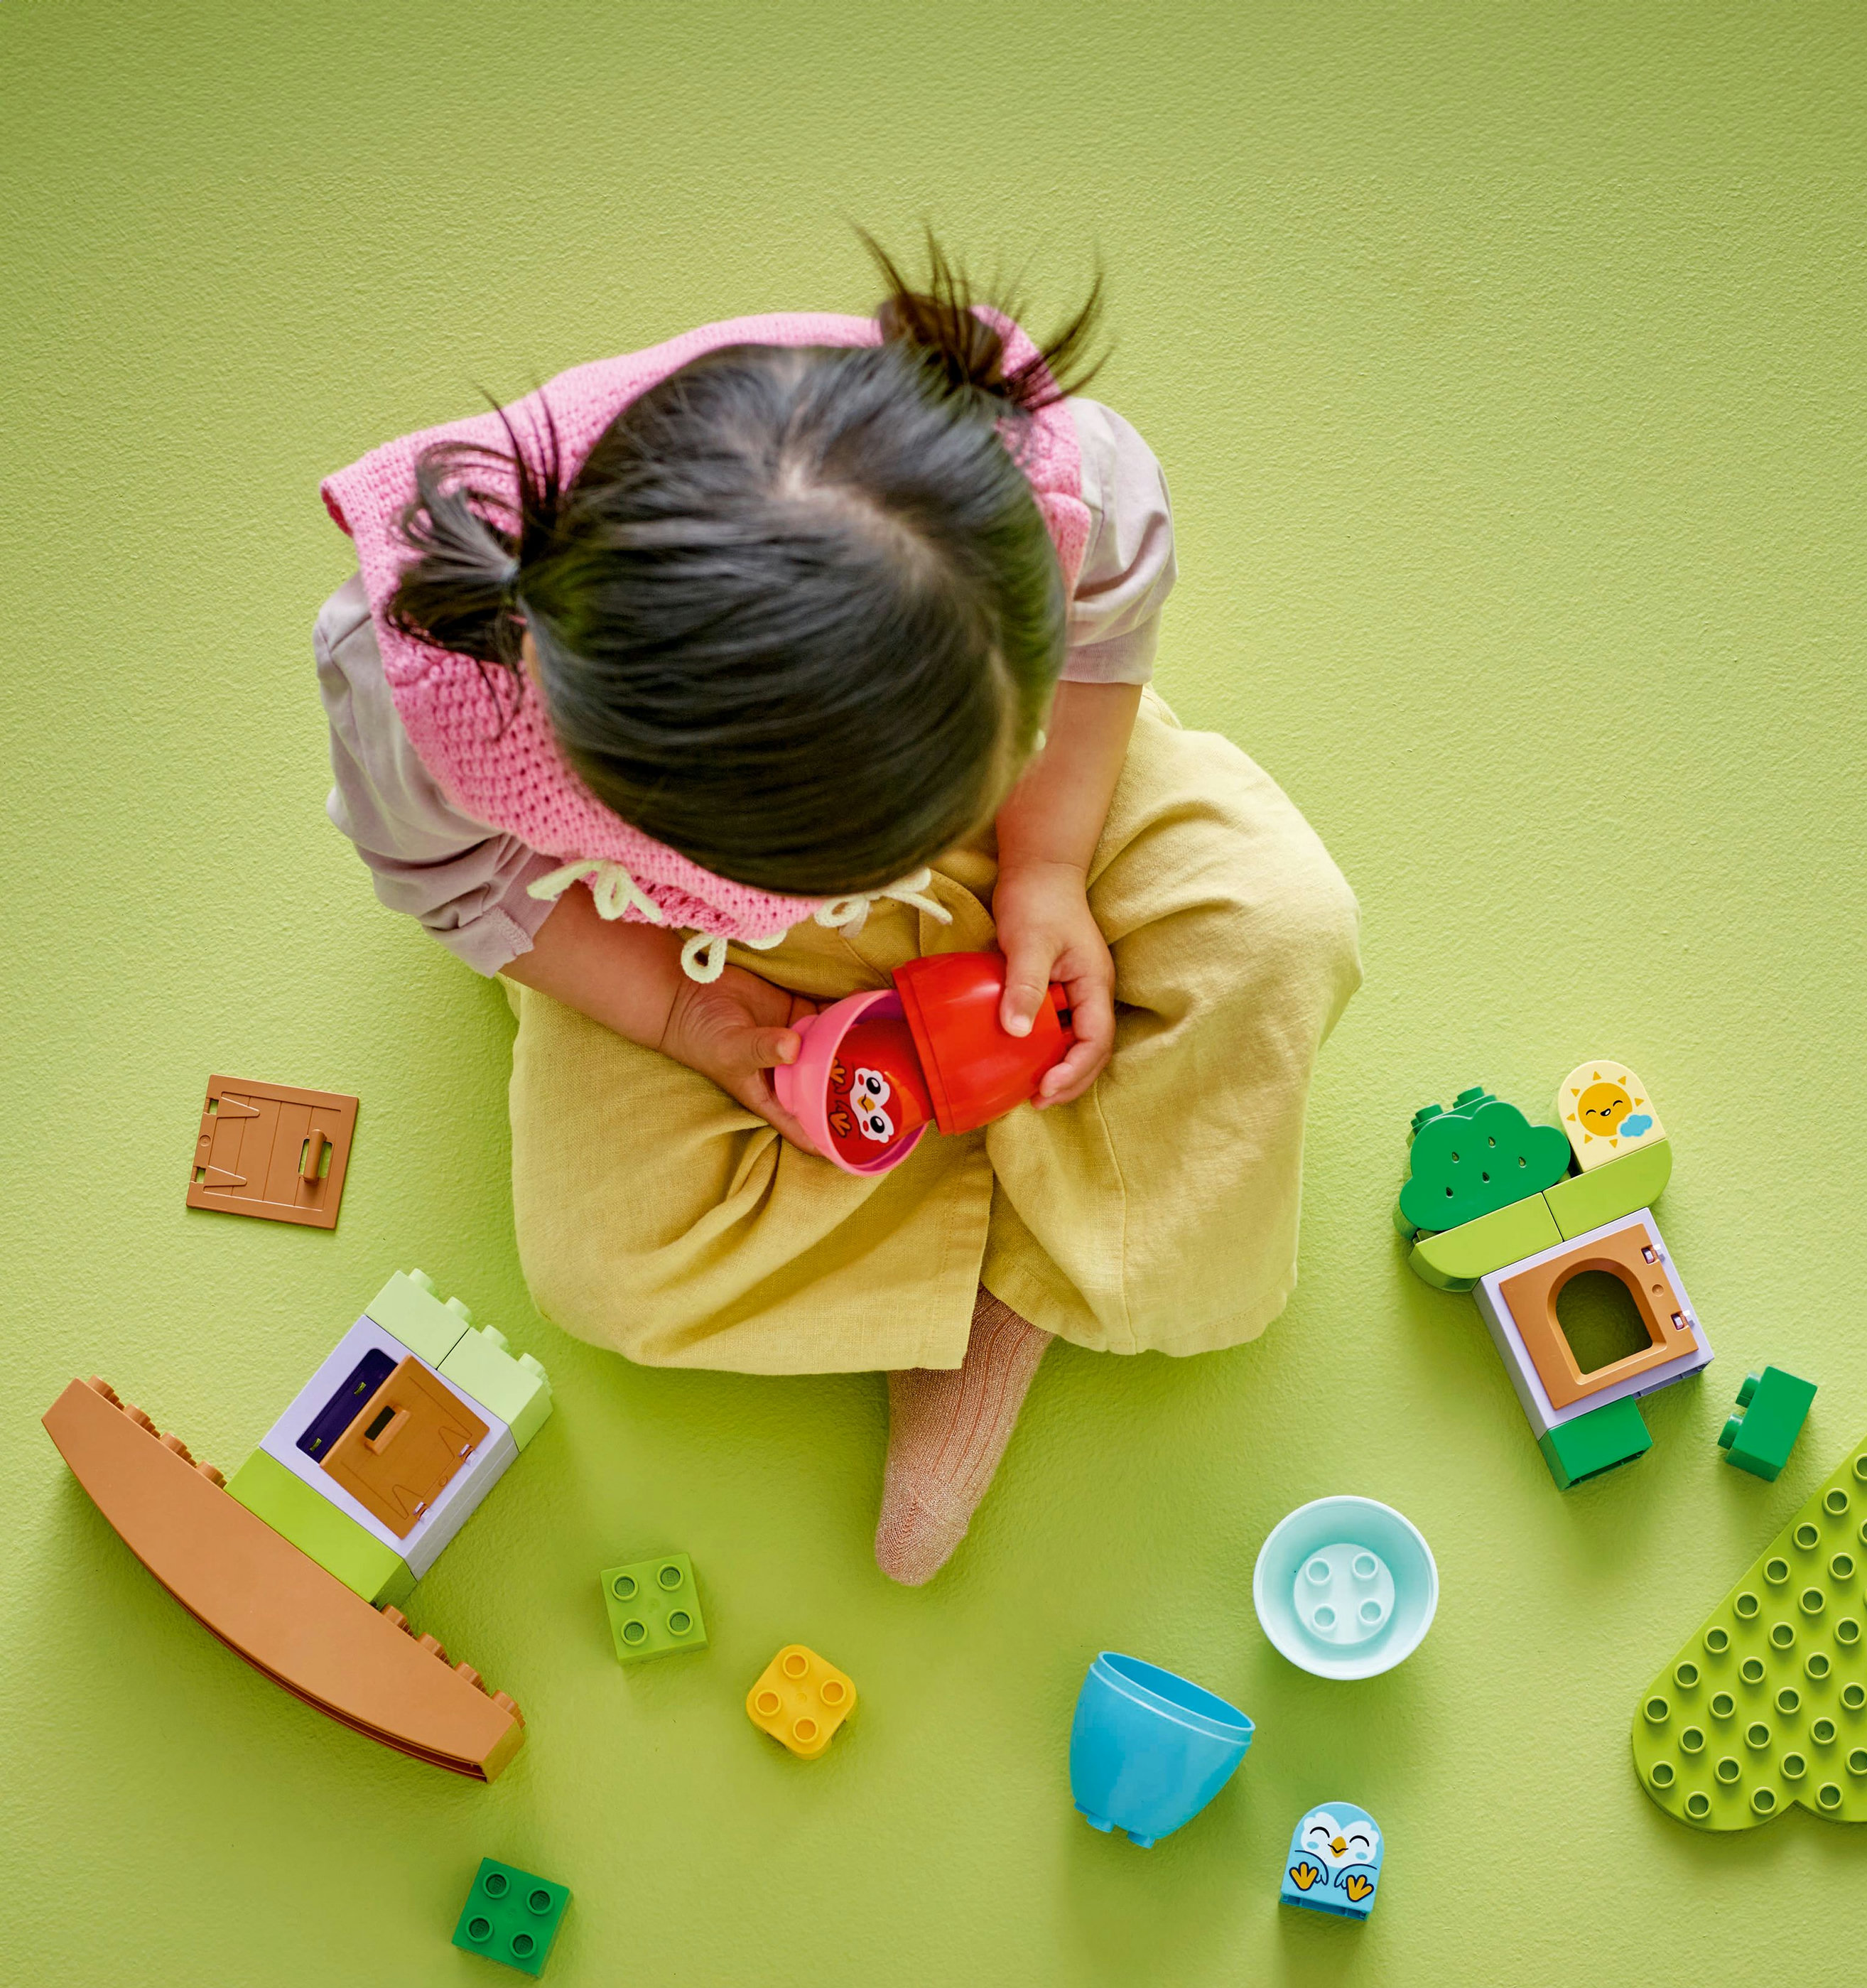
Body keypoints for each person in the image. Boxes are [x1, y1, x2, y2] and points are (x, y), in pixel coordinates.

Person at [315, 237, 1359, 1585]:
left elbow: (1107, 627)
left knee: (1280, 924)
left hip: (1034, 787)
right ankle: (992, 1265)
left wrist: (1043, 860)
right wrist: (678, 1012)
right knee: (606, 1268)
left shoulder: (1030, 475)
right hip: (662, 924)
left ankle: (1016, 1290)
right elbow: (462, 881)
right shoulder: (428, 693)